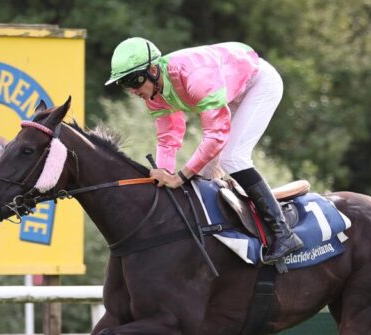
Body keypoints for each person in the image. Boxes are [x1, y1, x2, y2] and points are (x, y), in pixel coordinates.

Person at [106, 37, 304, 264]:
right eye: (125, 84)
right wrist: (163, 176)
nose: (133, 90)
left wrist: (180, 177)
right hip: (228, 90)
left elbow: (216, 136)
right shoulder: (153, 92)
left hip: (258, 83)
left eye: (134, 81)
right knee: (207, 173)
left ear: (152, 70)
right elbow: (168, 137)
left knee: (232, 158)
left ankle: (284, 233)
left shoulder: (194, 77)